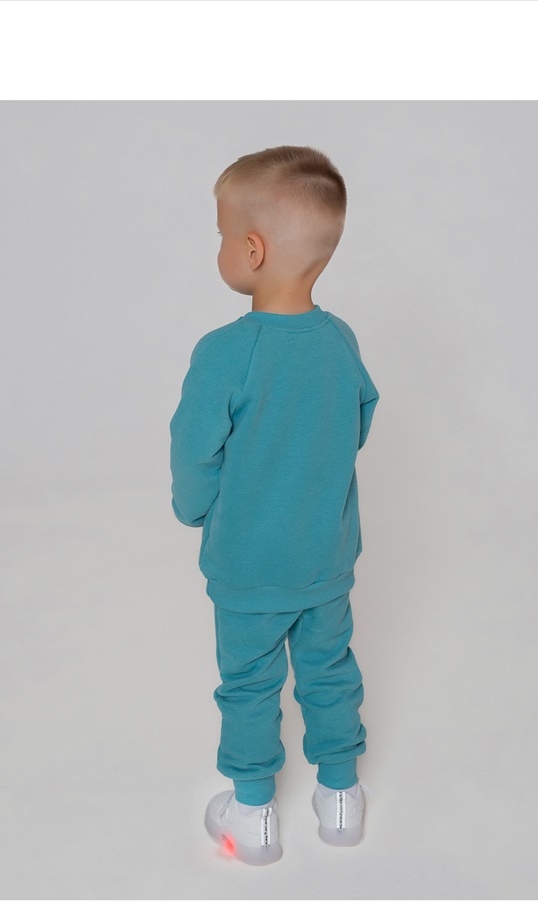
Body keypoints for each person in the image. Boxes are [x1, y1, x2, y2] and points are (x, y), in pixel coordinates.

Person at [169, 145, 379, 865]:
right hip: (326, 556)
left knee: (249, 684)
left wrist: (194, 507)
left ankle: (253, 815)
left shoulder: (224, 352)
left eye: (223, 233)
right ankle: (341, 798)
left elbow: (194, 448)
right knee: (330, 670)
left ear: (252, 250)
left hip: (248, 565)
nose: (221, 246)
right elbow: (357, 420)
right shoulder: (339, 340)